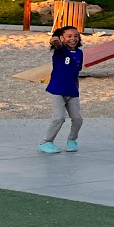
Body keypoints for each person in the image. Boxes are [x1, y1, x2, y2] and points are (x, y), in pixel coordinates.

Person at [40, 26, 84, 154]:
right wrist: (54, 40)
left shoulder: (79, 53)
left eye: (75, 36)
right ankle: (46, 142)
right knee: (59, 118)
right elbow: (57, 44)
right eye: (69, 36)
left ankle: (72, 140)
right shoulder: (61, 51)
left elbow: (76, 73)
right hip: (58, 90)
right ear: (62, 38)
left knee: (77, 119)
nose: (73, 39)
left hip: (72, 91)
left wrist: (77, 88)